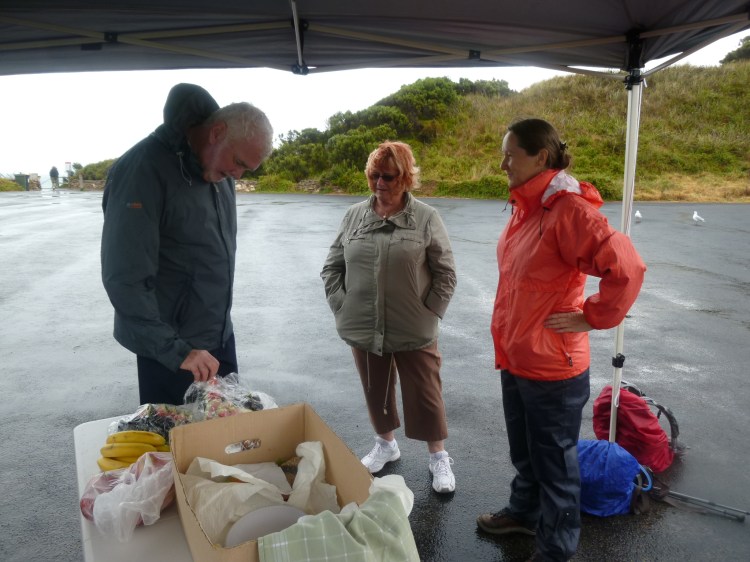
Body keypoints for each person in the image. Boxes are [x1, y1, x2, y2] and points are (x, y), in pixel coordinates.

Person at [476, 118, 646, 561]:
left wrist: (592, 317)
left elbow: (626, 268)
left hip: (553, 364)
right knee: (525, 450)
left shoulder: (568, 210)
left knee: (556, 466)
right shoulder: (526, 207)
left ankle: (557, 549)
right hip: (517, 353)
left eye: (510, 155)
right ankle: (524, 513)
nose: (503, 163)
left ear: (541, 158)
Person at [101, 83, 273, 406]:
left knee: (228, 444)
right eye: (237, 162)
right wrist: (176, 350)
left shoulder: (219, 174)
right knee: (175, 451)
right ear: (217, 132)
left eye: (245, 170)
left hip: (219, 341)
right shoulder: (142, 170)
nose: (236, 175)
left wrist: (222, 332)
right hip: (173, 355)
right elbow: (125, 279)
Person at [321, 141, 458, 494]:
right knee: (375, 388)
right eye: (374, 175)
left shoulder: (426, 217)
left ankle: (438, 456)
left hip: (414, 324)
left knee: (425, 391)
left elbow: (445, 272)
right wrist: (343, 306)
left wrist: (430, 312)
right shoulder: (353, 215)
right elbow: (332, 267)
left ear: (406, 178)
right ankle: (386, 444)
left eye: (389, 176)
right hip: (363, 323)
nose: (380, 183)